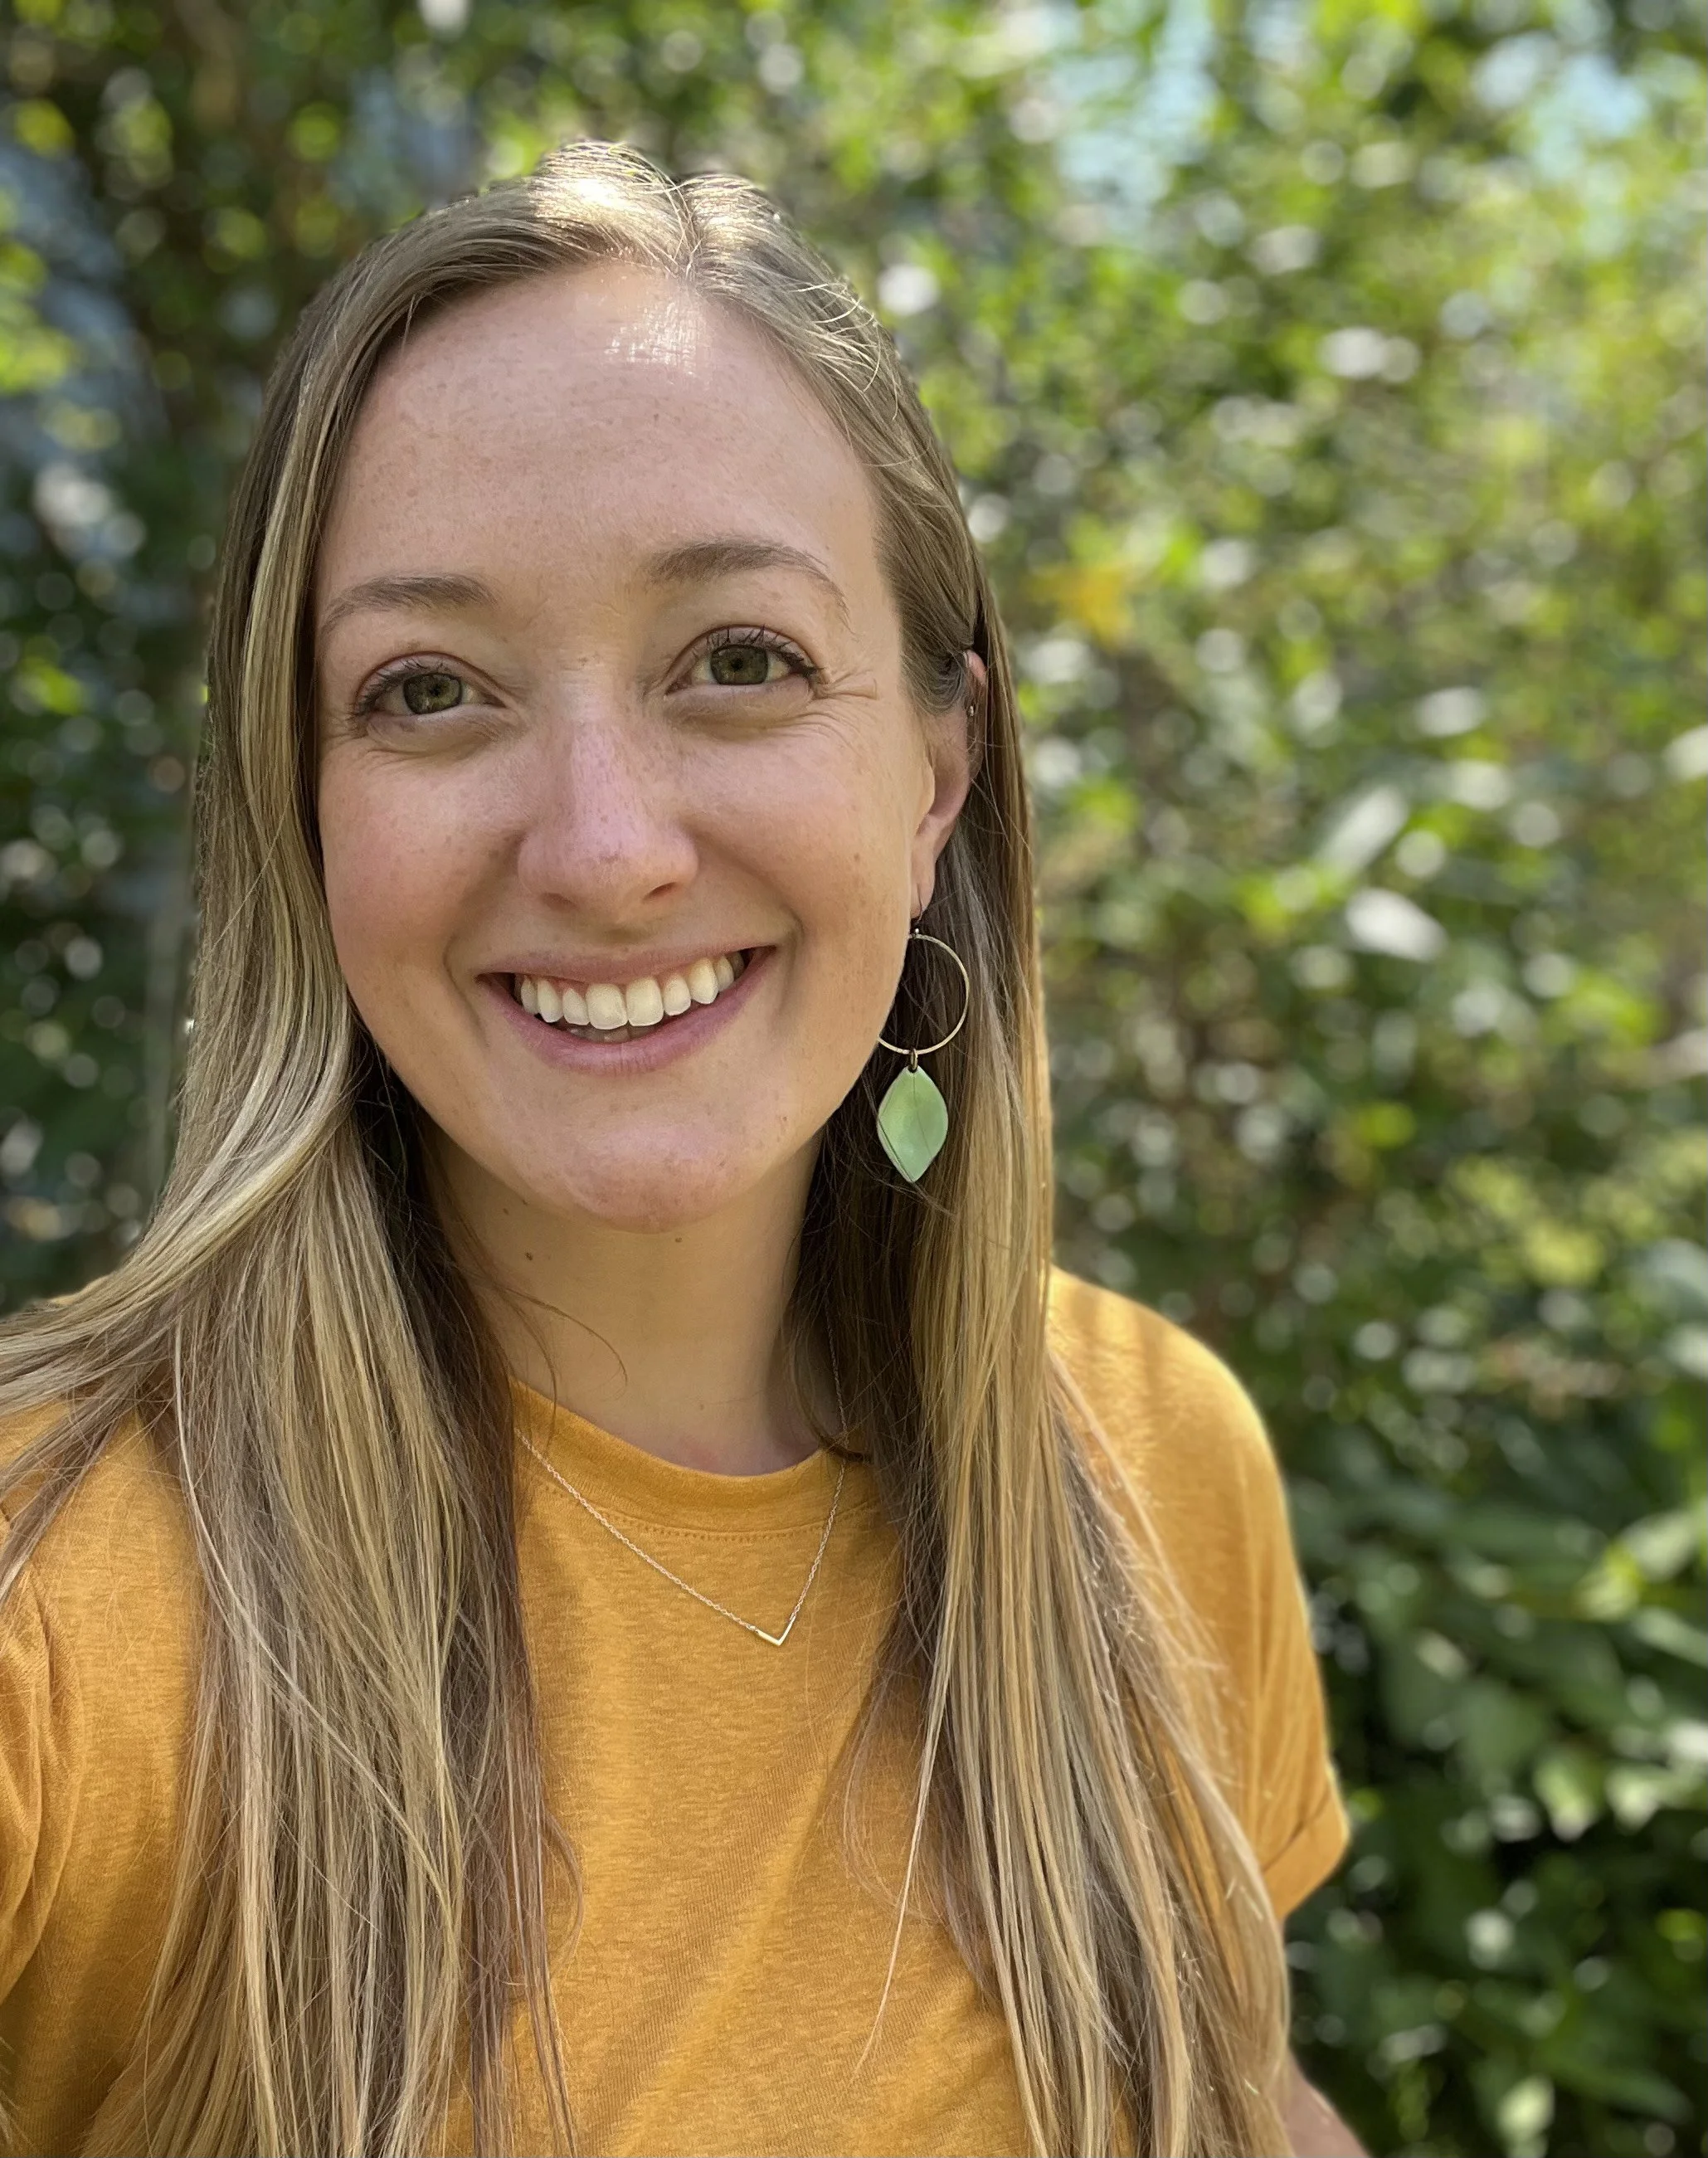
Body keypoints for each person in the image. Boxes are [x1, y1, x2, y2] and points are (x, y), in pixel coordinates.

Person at [0, 142, 1364, 2157]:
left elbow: (1240, 2097)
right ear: (305, 813)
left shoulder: (1143, 1456)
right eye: (431, 690)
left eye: (740, 660)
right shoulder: (58, 1578)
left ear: (936, 772)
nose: (608, 845)